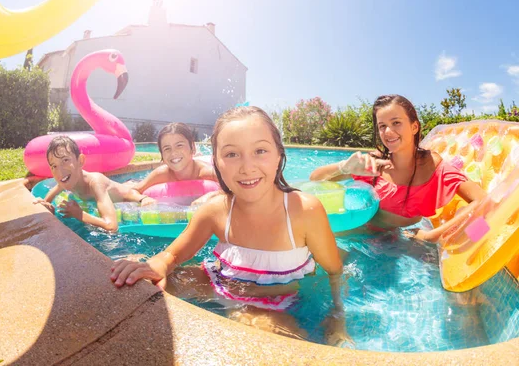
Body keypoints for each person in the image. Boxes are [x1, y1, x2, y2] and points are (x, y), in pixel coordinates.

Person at [111, 106, 351, 346]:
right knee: (139, 287)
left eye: (260, 151)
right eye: (232, 154)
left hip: (275, 300)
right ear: (216, 161)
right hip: (219, 281)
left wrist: (338, 318)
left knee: (284, 344)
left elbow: (334, 271)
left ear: (279, 154)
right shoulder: (215, 210)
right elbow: (172, 255)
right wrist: (154, 265)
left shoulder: (303, 210)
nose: (247, 167)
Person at [310, 94, 486, 242]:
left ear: (414, 126)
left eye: (396, 123)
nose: (387, 132)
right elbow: (314, 182)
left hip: (401, 242)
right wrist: (343, 167)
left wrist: (431, 236)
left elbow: (481, 200)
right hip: (358, 236)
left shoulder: (433, 167)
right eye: (382, 126)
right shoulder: (373, 163)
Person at [33, 136, 148, 232]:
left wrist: (78, 214)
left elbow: (112, 226)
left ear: (80, 161)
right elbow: (47, 201)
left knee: (136, 195)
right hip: (112, 189)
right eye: (54, 166)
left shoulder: (95, 182)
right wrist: (45, 205)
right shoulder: (65, 180)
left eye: (65, 160)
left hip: (129, 196)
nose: (60, 172)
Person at [131, 122, 218, 206]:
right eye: (167, 148)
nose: (173, 153)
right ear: (162, 155)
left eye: (179, 145)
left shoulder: (207, 173)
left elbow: (230, 188)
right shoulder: (162, 174)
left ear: (193, 148)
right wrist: (143, 198)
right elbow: (133, 191)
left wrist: (211, 195)